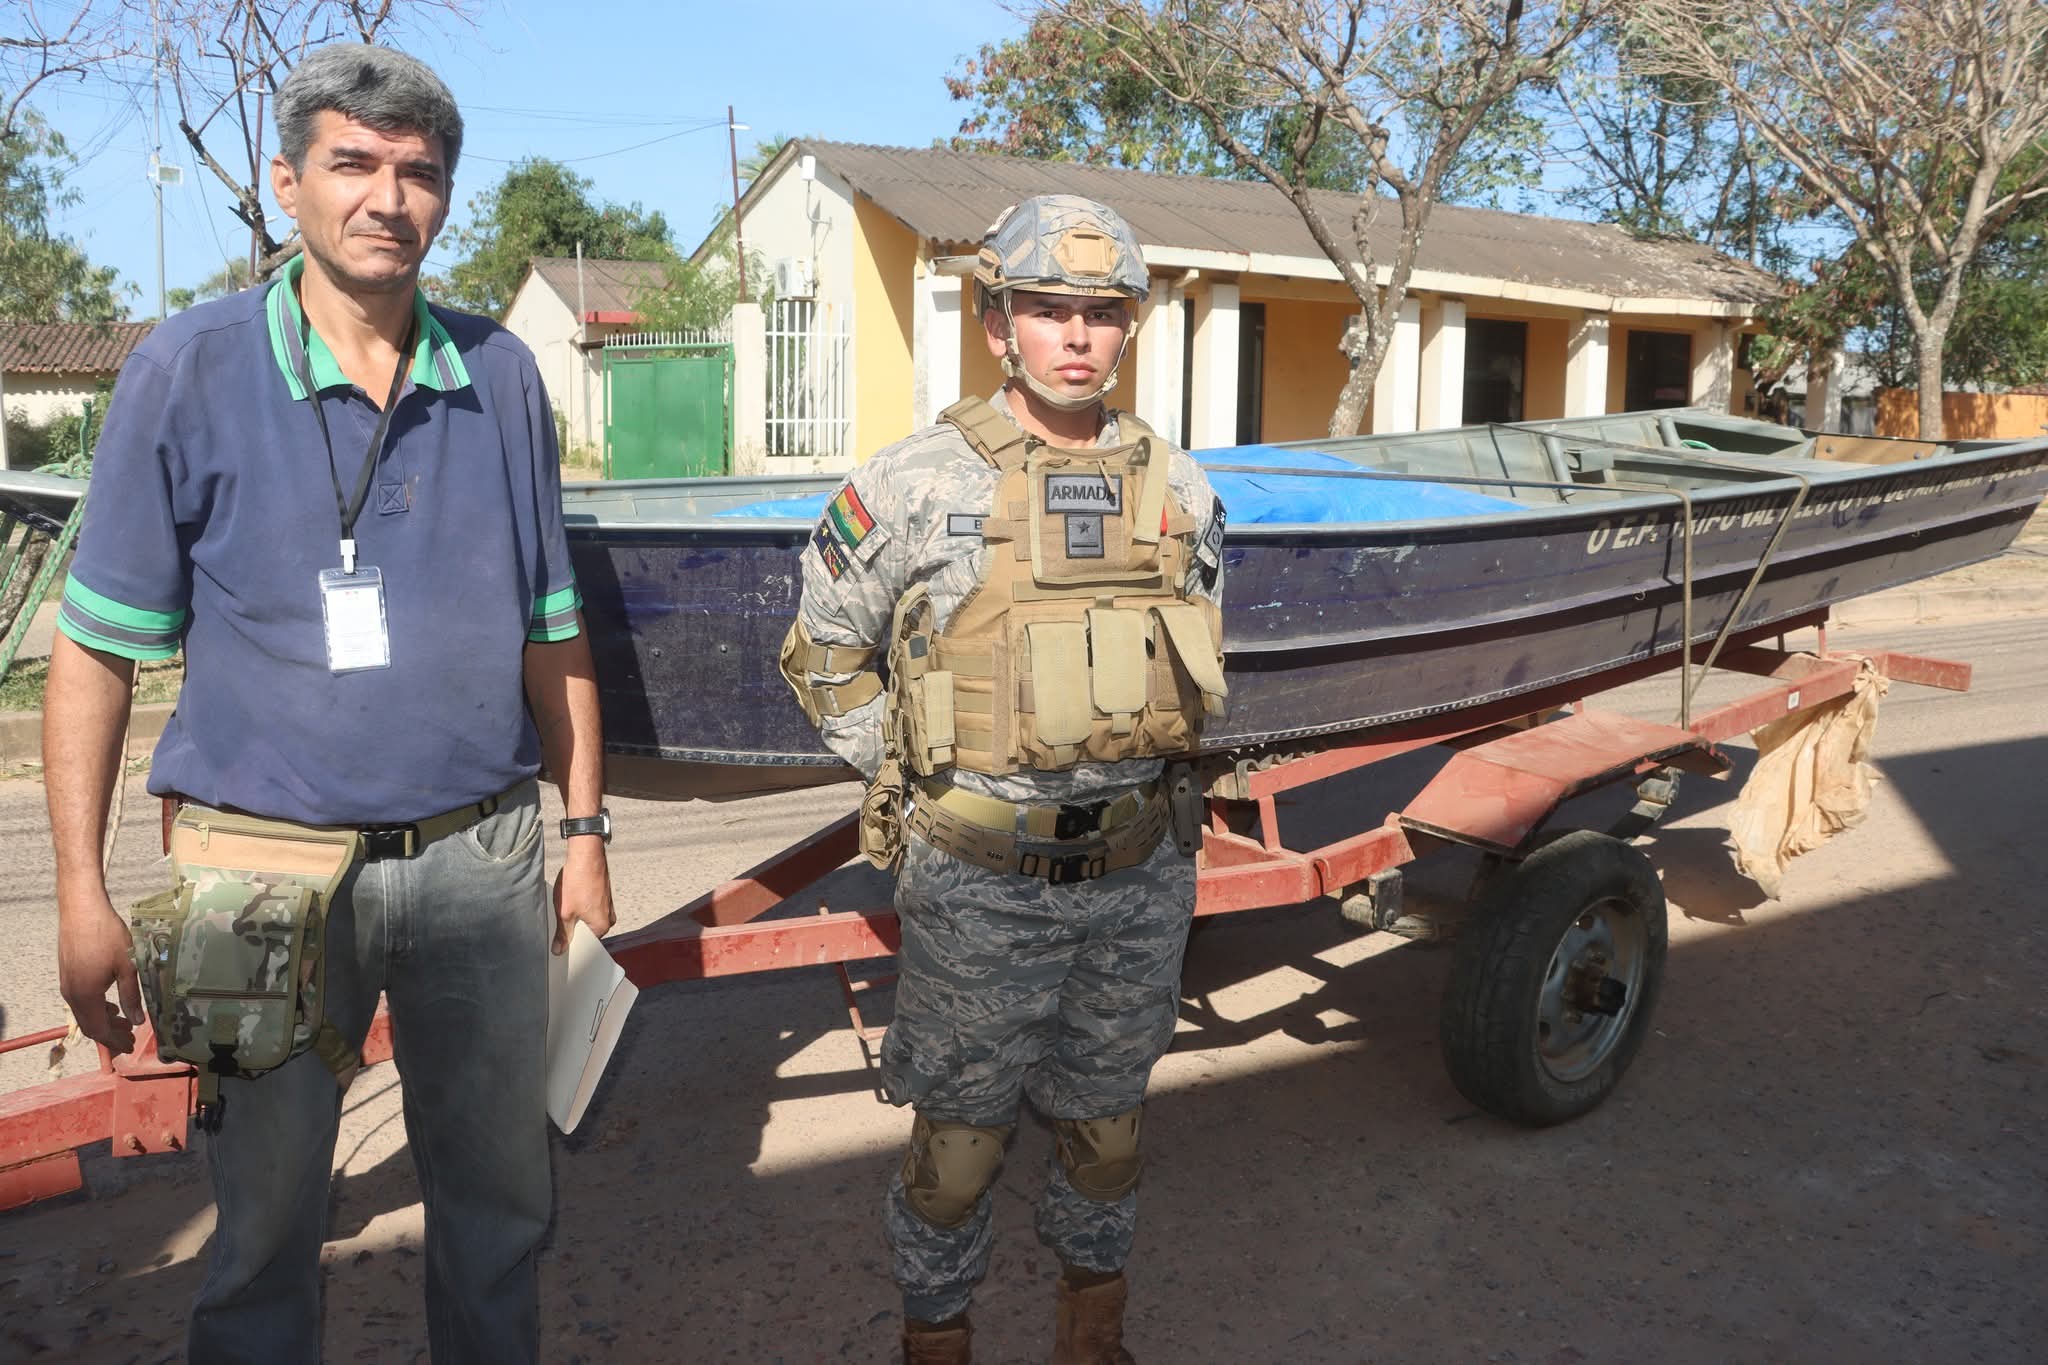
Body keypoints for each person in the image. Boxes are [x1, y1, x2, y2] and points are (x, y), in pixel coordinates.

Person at [46, 44, 613, 1365]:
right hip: (256, 870)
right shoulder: (187, 372)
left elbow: (556, 634)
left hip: (479, 863)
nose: (388, 197)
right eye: (353, 164)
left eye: (419, 173)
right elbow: (95, 649)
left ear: (446, 200)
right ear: (287, 182)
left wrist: (582, 840)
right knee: (260, 1230)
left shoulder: (503, 378)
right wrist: (83, 888)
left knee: (499, 1211)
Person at [781, 196, 1229, 1365]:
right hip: (980, 887)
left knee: (1108, 1130)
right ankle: (937, 1339)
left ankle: (1092, 1334)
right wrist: (910, 772)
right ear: (997, 327)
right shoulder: (918, 483)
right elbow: (822, 651)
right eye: (1047, 310)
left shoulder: (1179, 492)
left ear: (1127, 328)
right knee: (958, 1150)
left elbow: (1194, 667)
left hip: (1136, 877)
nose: (1075, 336)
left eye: (1100, 314)